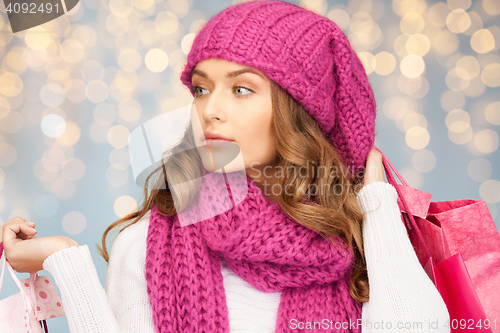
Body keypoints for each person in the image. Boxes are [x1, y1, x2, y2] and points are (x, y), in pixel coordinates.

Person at [0, 1, 451, 332]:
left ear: (300, 112)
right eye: (200, 89)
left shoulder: (360, 244)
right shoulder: (147, 244)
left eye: (241, 90)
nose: (210, 110)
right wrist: (66, 263)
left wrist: (374, 198)